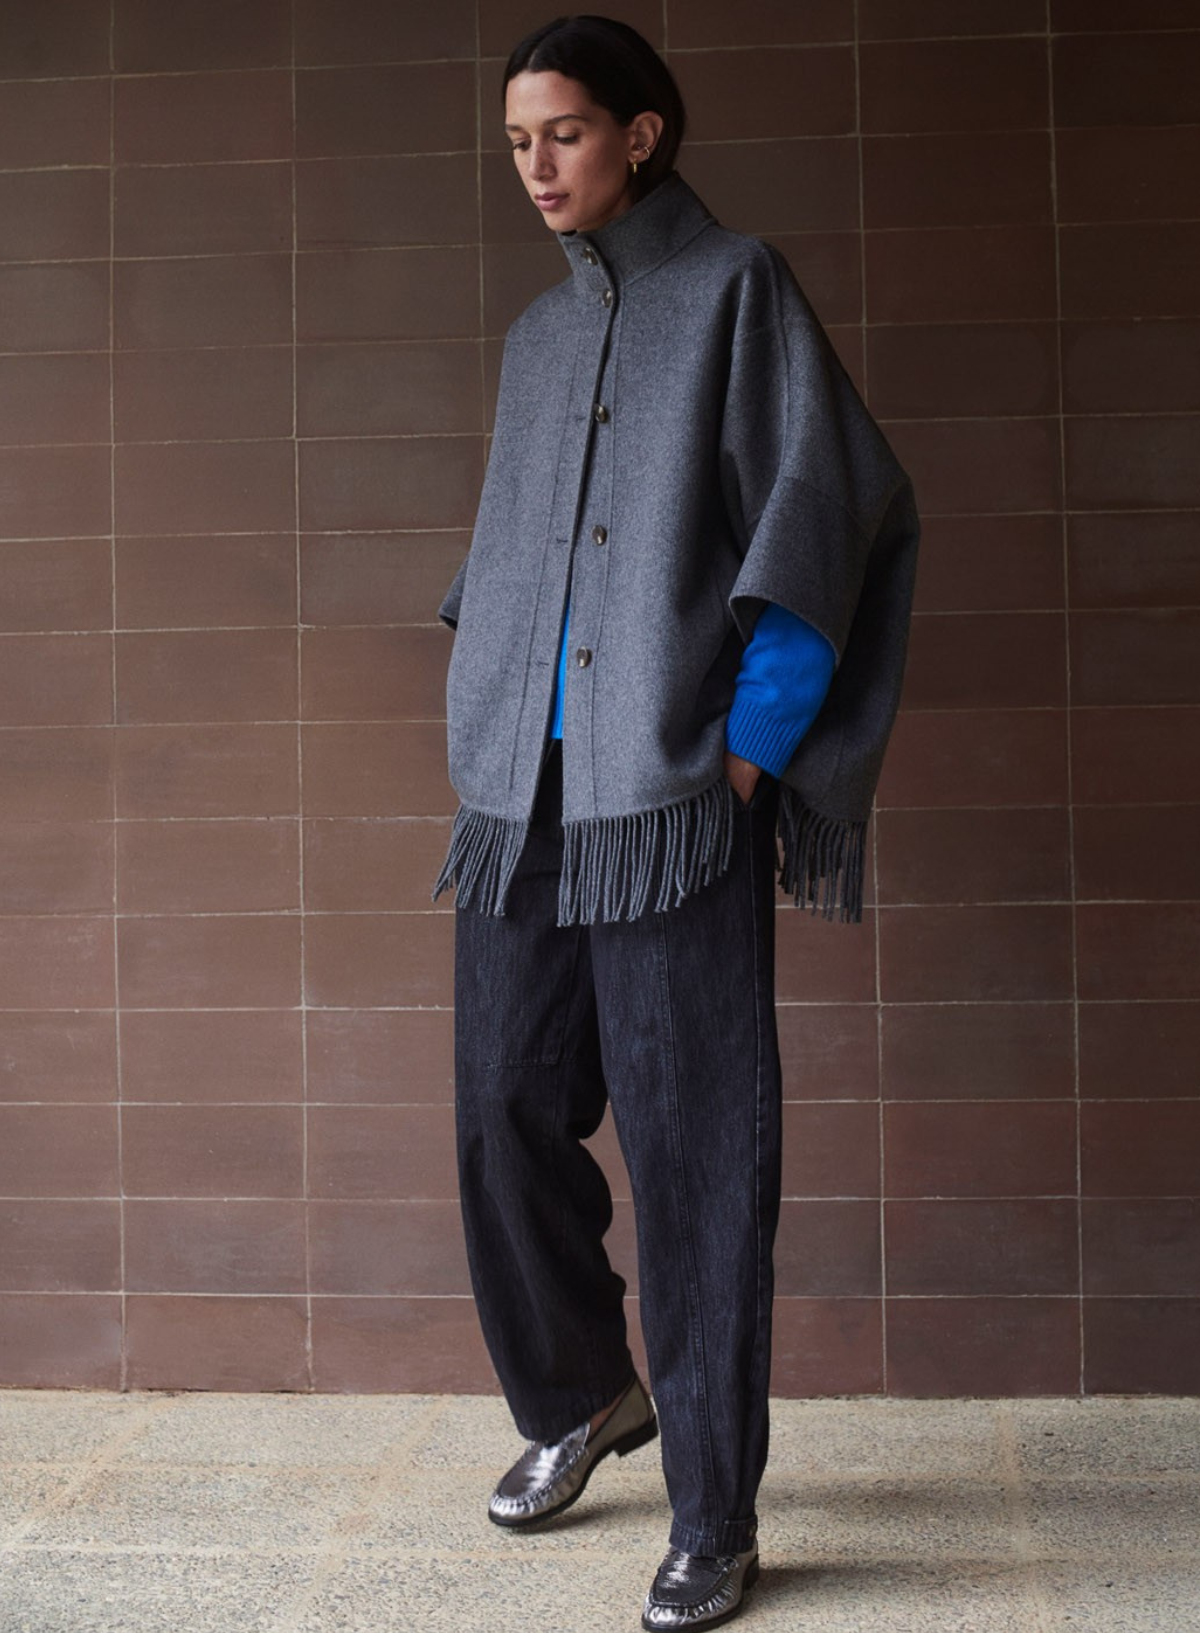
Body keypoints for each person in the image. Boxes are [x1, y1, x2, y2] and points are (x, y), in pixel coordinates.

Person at [432, 15, 920, 1629]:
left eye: (563, 133)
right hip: (525, 800)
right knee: (505, 1109)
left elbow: (823, 515)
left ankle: (712, 1514)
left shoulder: (740, 291)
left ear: (643, 134)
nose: (536, 167)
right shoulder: (532, 341)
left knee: (698, 1153)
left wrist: (751, 761)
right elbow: (518, 560)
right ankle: (584, 1396)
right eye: (517, 143)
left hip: (673, 803)